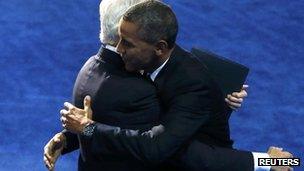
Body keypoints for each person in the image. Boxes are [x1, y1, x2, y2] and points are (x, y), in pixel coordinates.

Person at [44, 0, 292, 171]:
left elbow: (110, 120)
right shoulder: (137, 90)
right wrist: (269, 162)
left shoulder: (91, 67)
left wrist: (216, 99)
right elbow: (180, 153)